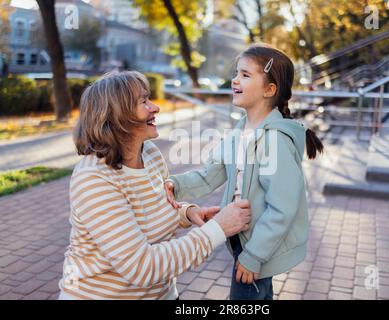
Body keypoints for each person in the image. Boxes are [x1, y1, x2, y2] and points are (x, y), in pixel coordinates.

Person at [58, 70, 251, 300]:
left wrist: (186, 213)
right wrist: (218, 229)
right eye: (143, 101)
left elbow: (153, 209)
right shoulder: (94, 179)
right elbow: (141, 267)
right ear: (118, 116)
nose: (155, 107)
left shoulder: (149, 153)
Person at [165, 43, 324, 300]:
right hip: (243, 240)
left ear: (269, 90)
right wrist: (175, 184)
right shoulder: (239, 132)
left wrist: (254, 256)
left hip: (258, 247)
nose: (235, 80)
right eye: (236, 73)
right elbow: (210, 174)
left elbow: (283, 207)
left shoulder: (275, 141)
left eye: (245, 75)